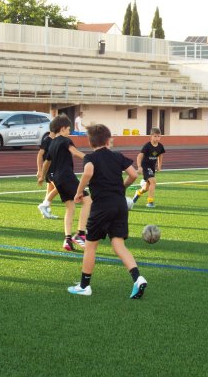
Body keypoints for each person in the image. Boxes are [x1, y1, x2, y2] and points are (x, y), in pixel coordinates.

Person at [68, 123, 147, 299]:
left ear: (90, 142)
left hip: (102, 206)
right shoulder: (117, 156)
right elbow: (134, 174)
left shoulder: (91, 158)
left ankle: (84, 286)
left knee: (90, 245)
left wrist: (79, 192)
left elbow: (88, 173)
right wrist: (122, 187)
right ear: (108, 140)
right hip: (120, 204)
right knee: (118, 244)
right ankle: (137, 278)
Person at [38, 114, 91, 251]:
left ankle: (67, 240)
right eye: (68, 129)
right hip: (67, 176)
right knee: (88, 201)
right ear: (62, 129)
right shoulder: (65, 140)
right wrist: (92, 158)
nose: (69, 132)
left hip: (57, 179)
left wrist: (41, 177)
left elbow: (46, 163)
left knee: (70, 207)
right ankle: (80, 234)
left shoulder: (52, 144)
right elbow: (75, 152)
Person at [132, 127, 166, 208]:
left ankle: (138, 193)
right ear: (151, 136)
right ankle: (150, 202)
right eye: (155, 136)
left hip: (152, 167)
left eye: (158, 136)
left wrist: (159, 166)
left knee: (147, 188)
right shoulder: (147, 146)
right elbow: (139, 156)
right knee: (153, 182)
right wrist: (139, 166)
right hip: (145, 166)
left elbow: (160, 156)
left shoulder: (160, 146)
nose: (157, 138)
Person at [36, 130, 59, 219]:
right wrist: (39, 170)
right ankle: (44, 205)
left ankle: (46, 211)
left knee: (49, 190)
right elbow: (39, 155)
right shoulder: (47, 140)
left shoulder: (56, 140)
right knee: (60, 187)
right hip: (50, 170)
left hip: (55, 169)